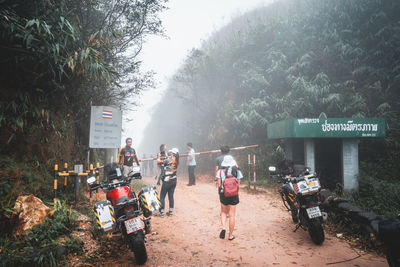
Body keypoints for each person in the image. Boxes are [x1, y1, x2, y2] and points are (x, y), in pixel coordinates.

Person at [215, 145, 242, 241]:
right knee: (232, 215)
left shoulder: (220, 171)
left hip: (223, 193)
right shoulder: (236, 170)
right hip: (234, 194)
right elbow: (238, 183)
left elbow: (219, 184)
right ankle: (230, 236)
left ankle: (223, 228)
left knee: (223, 212)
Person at [156, 148, 179, 217]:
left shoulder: (168, 161)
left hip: (167, 181)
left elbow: (159, 162)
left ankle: (161, 212)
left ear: (172, 153)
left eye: (170, 152)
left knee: (162, 196)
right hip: (174, 180)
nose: (169, 153)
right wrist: (166, 157)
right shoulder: (177, 161)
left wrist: (159, 156)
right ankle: (170, 212)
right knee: (171, 196)